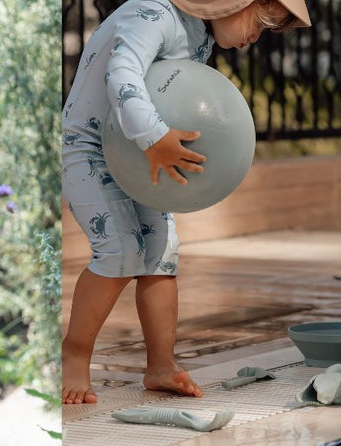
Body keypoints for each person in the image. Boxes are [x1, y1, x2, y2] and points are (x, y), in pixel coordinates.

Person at [60, 0, 312, 404]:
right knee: (120, 250)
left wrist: (156, 140)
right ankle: (73, 355)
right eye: (259, 23)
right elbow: (121, 73)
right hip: (91, 148)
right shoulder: (153, 16)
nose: (253, 38)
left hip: (138, 157)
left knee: (161, 253)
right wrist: (155, 135)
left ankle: (160, 364)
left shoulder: (199, 38)